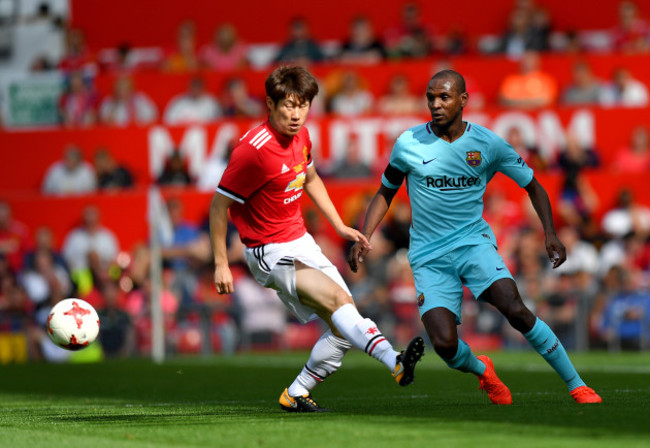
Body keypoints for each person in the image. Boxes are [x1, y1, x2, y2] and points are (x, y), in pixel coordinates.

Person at [348, 69, 601, 405]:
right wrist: (364, 235)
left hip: (473, 245)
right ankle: (484, 371)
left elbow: (533, 185)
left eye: (444, 97)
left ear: (463, 100)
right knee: (445, 345)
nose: (435, 104)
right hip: (428, 258)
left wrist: (550, 233)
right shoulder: (408, 143)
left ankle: (577, 385)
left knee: (516, 310)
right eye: (431, 97)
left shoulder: (487, 143)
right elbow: (385, 191)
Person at [209, 66, 424, 412]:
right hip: (267, 250)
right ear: (270, 103)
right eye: (288, 106)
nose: (296, 115)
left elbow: (309, 179)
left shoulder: (303, 137)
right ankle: (394, 360)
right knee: (340, 300)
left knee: (343, 325)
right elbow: (219, 207)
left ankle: (296, 392)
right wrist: (221, 263)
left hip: (300, 240)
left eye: (303, 105)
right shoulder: (253, 150)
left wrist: (339, 225)